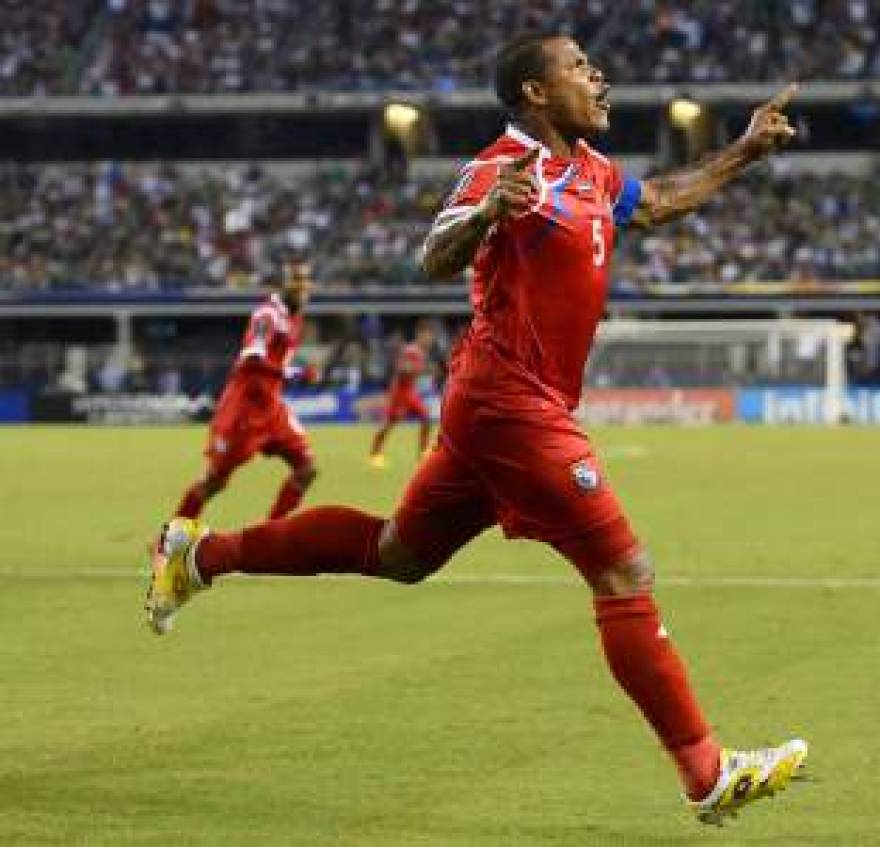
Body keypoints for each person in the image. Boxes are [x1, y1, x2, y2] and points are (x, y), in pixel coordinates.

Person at [146, 33, 807, 825]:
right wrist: (487, 214)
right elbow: (433, 253)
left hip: (501, 406)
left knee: (397, 553)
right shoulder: (503, 164)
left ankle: (199, 554)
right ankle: (705, 771)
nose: (599, 77)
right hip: (511, 402)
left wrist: (742, 151)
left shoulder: (591, 172)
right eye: (578, 67)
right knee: (624, 571)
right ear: (535, 92)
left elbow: (659, 203)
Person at [172, 264, 317, 521]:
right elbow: (251, 358)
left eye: (306, 284)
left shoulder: (294, 317)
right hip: (244, 413)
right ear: (282, 285)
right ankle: (166, 545)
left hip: (272, 409)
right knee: (214, 482)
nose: (303, 290)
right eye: (296, 283)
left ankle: (269, 536)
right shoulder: (267, 315)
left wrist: (289, 372)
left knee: (306, 469)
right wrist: (293, 373)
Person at [368, 320, 437, 468]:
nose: (430, 339)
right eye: (428, 336)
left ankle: (423, 453)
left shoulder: (421, 351)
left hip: (410, 392)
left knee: (426, 417)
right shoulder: (411, 350)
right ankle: (375, 453)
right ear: (420, 334)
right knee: (388, 424)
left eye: (431, 337)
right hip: (399, 392)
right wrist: (411, 369)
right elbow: (401, 369)